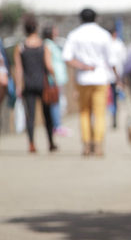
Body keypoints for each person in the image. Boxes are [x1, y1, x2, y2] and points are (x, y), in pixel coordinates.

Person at [62, 8, 120, 157]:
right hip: (101, 78)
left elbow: (67, 57)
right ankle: (98, 145)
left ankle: (87, 145)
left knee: (84, 113)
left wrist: (83, 66)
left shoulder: (74, 35)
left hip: (83, 79)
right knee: (100, 113)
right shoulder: (103, 35)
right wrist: (117, 77)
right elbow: (111, 60)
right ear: (96, 18)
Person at [13, 14, 57, 153]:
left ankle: (31, 143)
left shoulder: (20, 47)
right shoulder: (43, 46)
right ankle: (50, 142)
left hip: (28, 84)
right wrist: (54, 80)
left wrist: (19, 86)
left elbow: (19, 69)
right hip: (43, 84)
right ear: (36, 29)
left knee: (30, 116)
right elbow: (49, 66)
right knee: (47, 115)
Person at [42, 24, 70, 137]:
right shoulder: (48, 45)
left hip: (58, 78)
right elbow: (49, 64)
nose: (57, 32)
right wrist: (53, 77)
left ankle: (58, 124)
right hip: (53, 79)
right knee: (55, 103)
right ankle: (57, 126)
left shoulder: (53, 44)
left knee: (58, 102)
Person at [108, 27, 127, 129]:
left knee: (111, 99)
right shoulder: (119, 44)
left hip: (107, 77)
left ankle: (113, 116)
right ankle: (115, 116)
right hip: (117, 74)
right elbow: (123, 59)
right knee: (117, 97)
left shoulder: (106, 44)